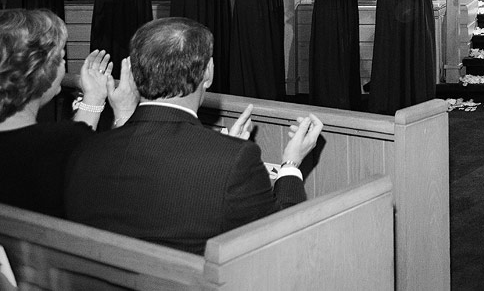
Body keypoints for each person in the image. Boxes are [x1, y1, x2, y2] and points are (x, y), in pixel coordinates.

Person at [63, 17, 323, 255]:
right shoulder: (234, 160)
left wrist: (224, 149)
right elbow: (285, 236)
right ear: (207, 73)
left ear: (135, 73)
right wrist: (291, 164)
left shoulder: (86, 150)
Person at [0, 8, 138, 216]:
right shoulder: (62, 143)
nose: (63, 65)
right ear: (42, 71)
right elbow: (120, 182)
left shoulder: (62, 142)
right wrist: (124, 112)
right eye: (61, 58)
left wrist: (93, 97)